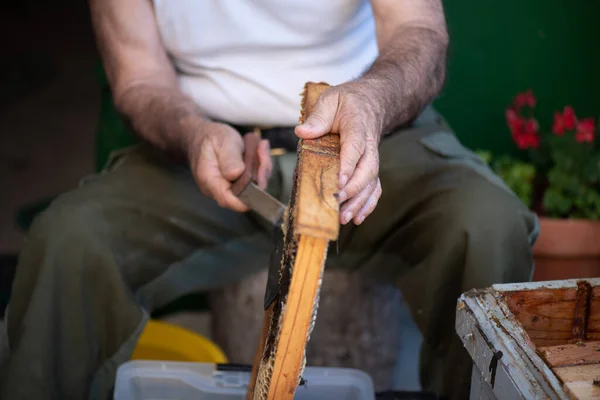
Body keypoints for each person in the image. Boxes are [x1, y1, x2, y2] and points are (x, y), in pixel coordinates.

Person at [0, 0, 539, 399]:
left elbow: (419, 30)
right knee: (68, 241)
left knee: (487, 225)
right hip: (209, 147)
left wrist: (370, 104)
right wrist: (192, 132)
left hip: (368, 128)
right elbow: (138, 77)